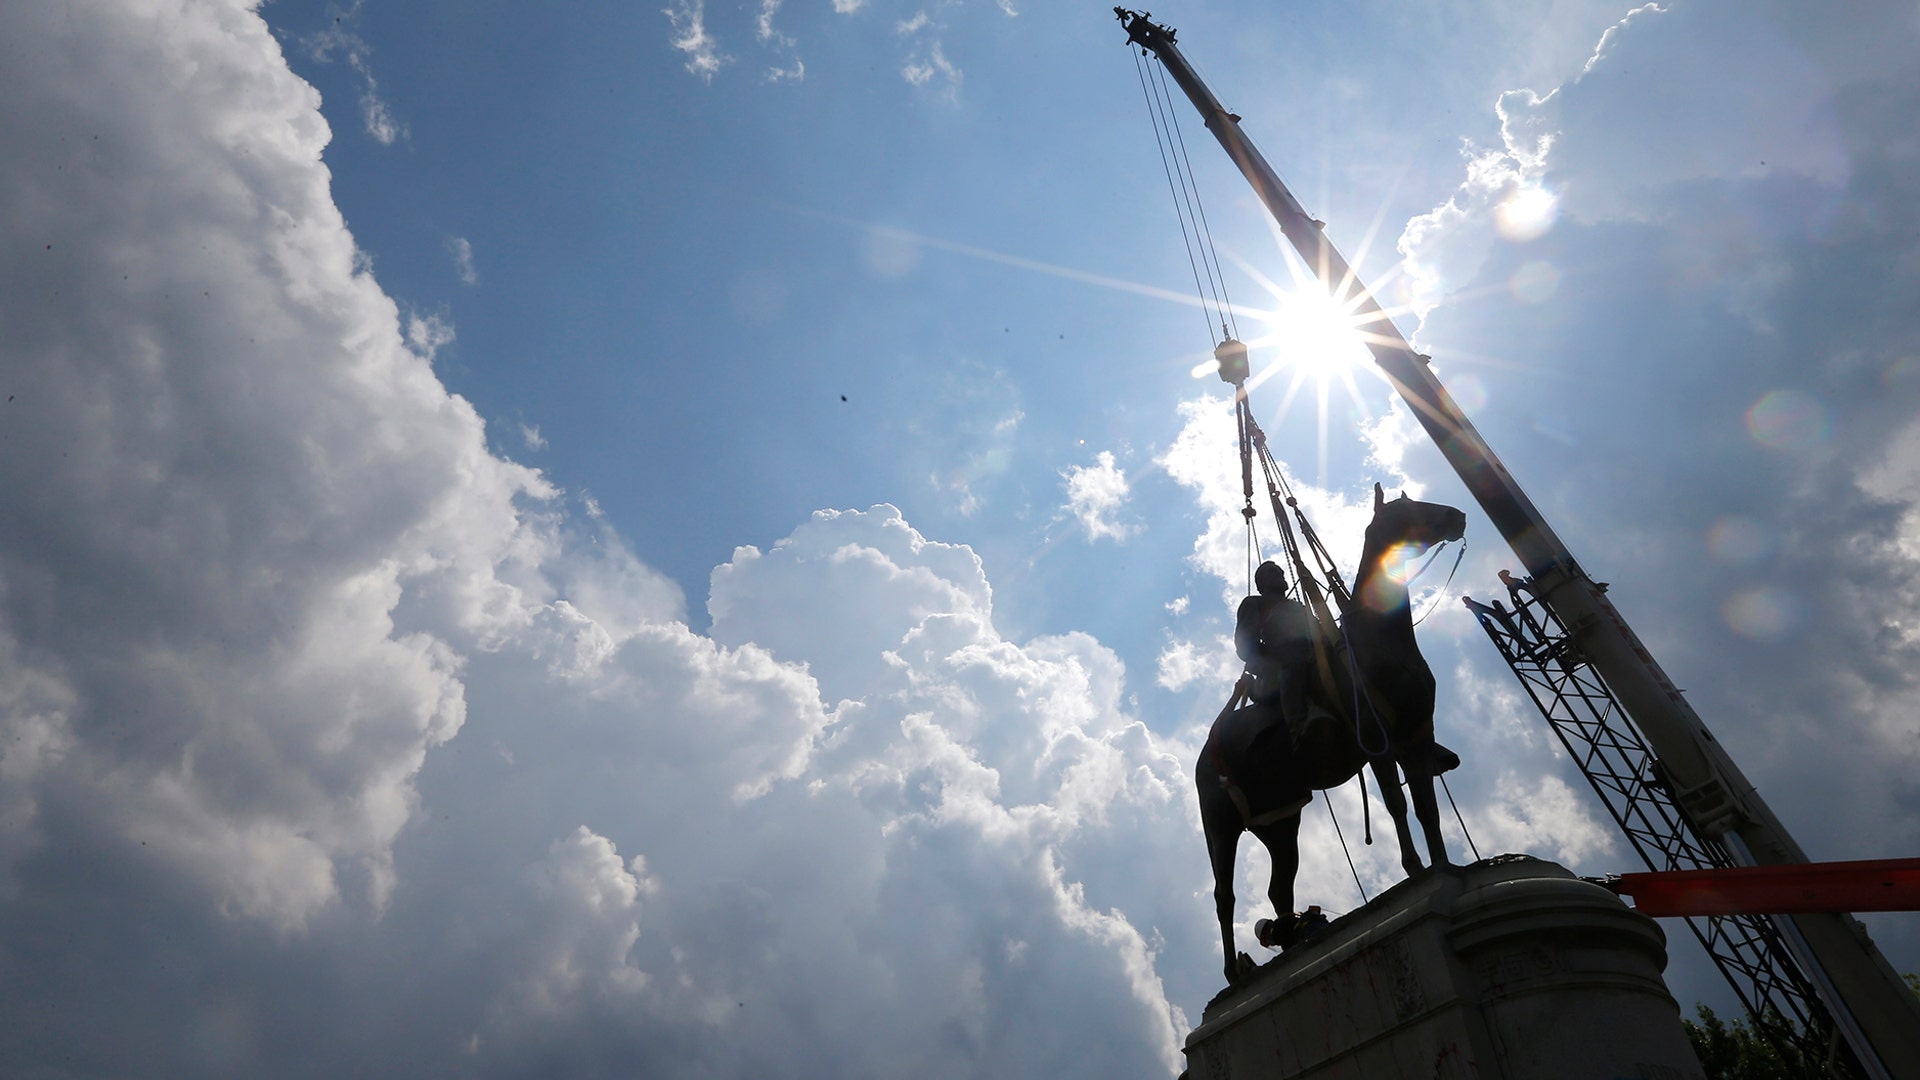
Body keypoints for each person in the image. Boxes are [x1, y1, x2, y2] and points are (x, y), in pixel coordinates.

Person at [1234, 561, 1315, 729]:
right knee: (1294, 663)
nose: (1280, 572)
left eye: (1280, 570)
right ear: (1261, 583)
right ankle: (1297, 727)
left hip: (1314, 656)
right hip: (1279, 669)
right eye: (1272, 572)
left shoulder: (1298, 607)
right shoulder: (1254, 603)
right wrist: (1270, 658)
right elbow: (1245, 645)